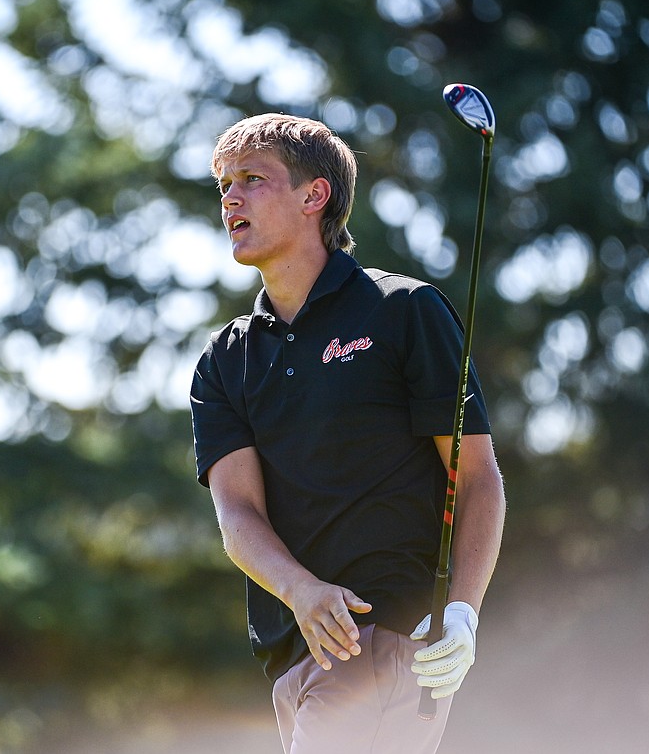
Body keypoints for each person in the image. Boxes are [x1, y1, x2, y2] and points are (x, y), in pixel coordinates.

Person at [189, 113, 506, 754]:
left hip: (384, 641)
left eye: (253, 179)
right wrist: (302, 592)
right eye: (224, 183)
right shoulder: (225, 359)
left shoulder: (403, 311)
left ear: (315, 196)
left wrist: (464, 615)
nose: (230, 197)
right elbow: (238, 516)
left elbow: (477, 480)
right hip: (293, 660)